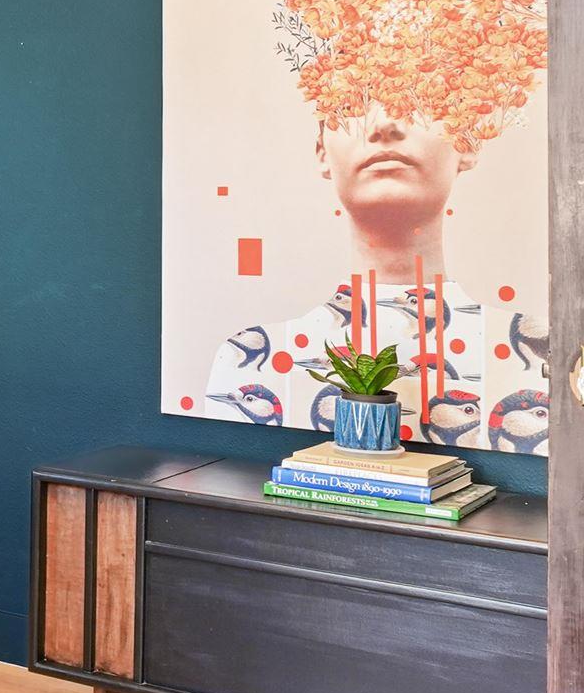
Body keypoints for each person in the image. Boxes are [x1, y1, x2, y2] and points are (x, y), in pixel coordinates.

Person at [203, 100, 549, 450]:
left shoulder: (545, 356)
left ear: (467, 143)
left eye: (421, 99)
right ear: (322, 151)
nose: (384, 124)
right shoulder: (246, 361)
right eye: (351, 104)